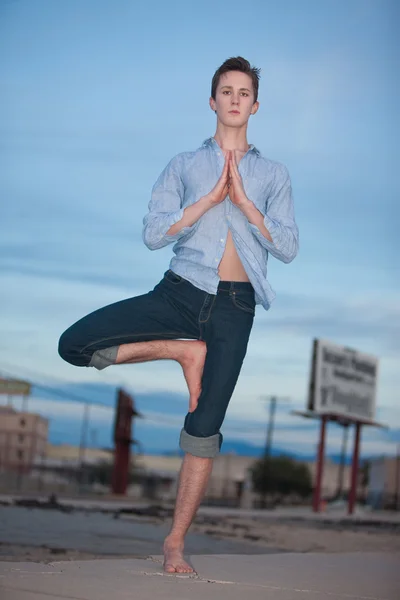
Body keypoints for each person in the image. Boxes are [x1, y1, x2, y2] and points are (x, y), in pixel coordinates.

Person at [58, 56, 299, 573]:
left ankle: (174, 544)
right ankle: (181, 349)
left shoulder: (274, 174)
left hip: (236, 308)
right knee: (73, 344)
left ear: (255, 106)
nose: (234, 99)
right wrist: (210, 199)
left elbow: (289, 247)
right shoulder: (182, 165)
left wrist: (245, 205)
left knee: (204, 428)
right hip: (179, 293)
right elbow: (153, 233)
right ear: (212, 101)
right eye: (225, 90)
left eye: (243, 92)